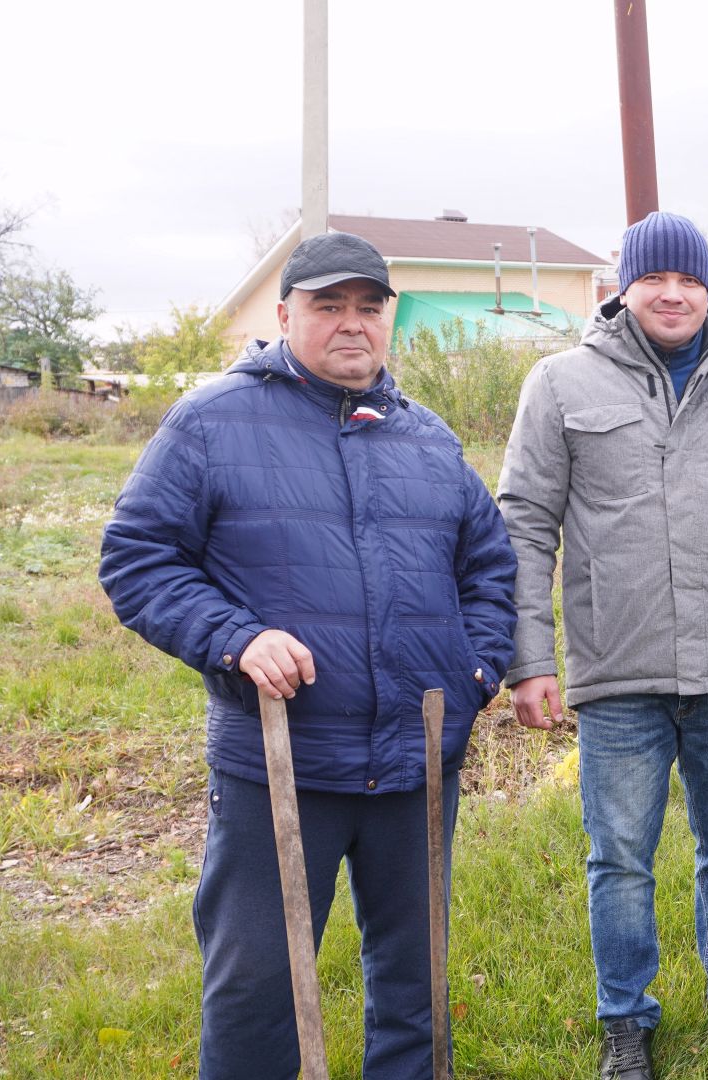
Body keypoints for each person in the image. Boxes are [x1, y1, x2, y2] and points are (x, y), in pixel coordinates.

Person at [100, 231, 518, 1079]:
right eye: (329, 306)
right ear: (285, 314)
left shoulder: (427, 438)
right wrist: (237, 636)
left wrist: (472, 675)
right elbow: (137, 557)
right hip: (281, 761)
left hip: (415, 760)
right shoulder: (213, 421)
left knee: (416, 981)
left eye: (370, 307)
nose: (352, 324)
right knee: (259, 984)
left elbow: (489, 568)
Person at [498, 210, 708, 1080]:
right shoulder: (562, 383)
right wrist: (530, 659)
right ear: (624, 287)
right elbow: (525, 525)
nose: (674, 294)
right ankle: (627, 1018)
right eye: (656, 279)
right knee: (620, 856)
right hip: (618, 668)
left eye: (690, 280)